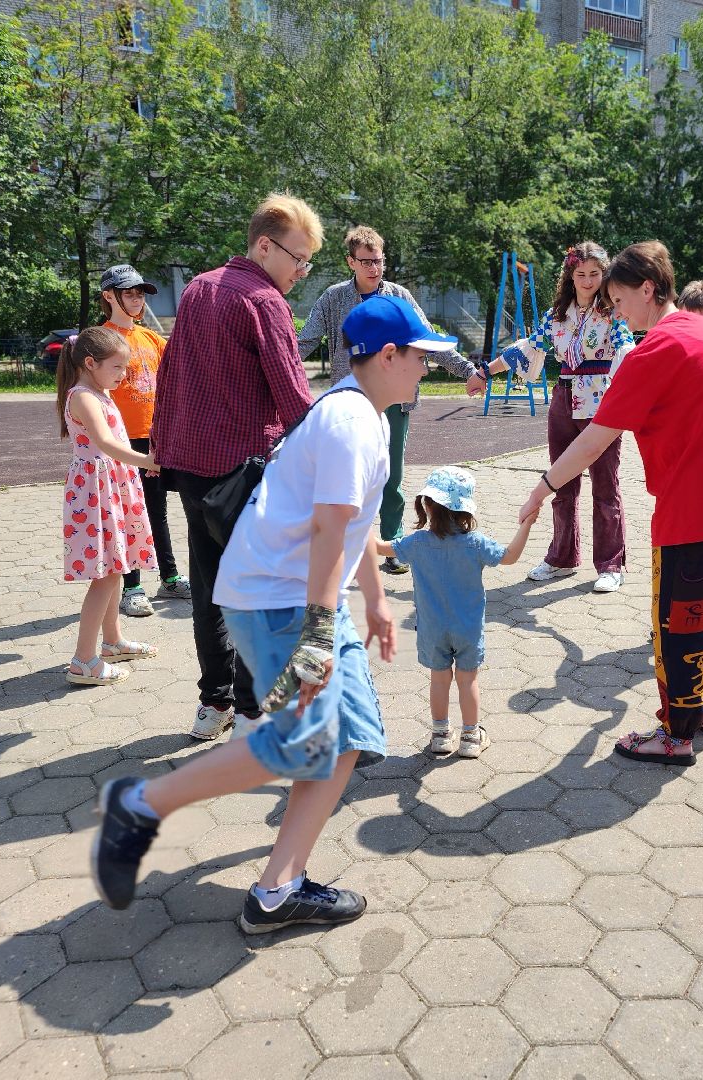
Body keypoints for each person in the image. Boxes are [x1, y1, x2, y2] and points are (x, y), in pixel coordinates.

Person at [90, 294, 446, 931]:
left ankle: (277, 889)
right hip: (284, 603)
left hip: (297, 599)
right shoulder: (351, 422)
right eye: (421, 356)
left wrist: (378, 598)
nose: (427, 368)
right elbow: (328, 529)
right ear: (387, 355)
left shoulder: (362, 414)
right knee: (294, 748)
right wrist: (317, 630)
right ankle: (138, 804)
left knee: (347, 742)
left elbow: (354, 522)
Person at [517, 241, 703, 767]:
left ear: (648, 289)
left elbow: (592, 441)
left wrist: (543, 487)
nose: (616, 310)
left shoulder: (653, 351)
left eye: (619, 298)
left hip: (695, 507)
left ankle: (676, 736)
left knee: (682, 620)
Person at [151, 194, 320, 741]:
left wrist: (162, 448)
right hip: (245, 471)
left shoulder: (199, 287)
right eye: (299, 258)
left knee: (210, 590)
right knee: (259, 593)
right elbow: (295, 400)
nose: (302, 270)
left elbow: (170, 373)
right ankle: (253, 713)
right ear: (264, 245)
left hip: (192, 471)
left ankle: (213, 704)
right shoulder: (263, 299)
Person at [299, 225, 487, 576]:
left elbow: (428, 339)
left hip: (395, 402)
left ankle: (391, 543)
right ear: (350, 262)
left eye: (379, 261)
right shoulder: (333, 298)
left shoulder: (400, 296)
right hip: (351, 403)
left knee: (390, 477)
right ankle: (342, 547)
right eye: (366, 262)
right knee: (346, 477)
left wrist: (468, 372)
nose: (374, 268)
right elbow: (304, 342)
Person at [482, 241, 635, 594]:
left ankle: (611, 564)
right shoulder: (557, 316)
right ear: (570, 274)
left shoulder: (614, 313)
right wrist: (484, 372)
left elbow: (628, 351)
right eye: (580, 274)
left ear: (604, 274)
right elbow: (528, 348)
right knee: (561, 483)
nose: (587, 280)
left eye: (594, 274)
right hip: (564, 400)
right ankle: (563, 558)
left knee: (606, 485)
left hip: (602, 404)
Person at [373, 466, 537, 759]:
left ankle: (439, 735)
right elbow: (510, 557)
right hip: (468, 628)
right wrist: (526, 525)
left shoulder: (416, 543)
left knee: (438, 678)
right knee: (467, 679)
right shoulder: (474, 543)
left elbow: (380, 548)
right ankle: (471, 737)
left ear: (427, 505)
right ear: (464, 510)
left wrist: (355, 521)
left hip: (432, 627)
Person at [58, 326, 160, 686]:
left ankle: (113, 642)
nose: (124, 374)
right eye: (117, 367)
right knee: (106, 575)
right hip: (97, 491)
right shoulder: (83, 396)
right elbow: (103, 441)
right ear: (90, 362)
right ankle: (84, 661)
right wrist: (148, 461)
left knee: (117, 566)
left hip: (110, 486)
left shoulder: (98, 392)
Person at [98, 264, 190, 619]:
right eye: (129, 293)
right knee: (127, 514)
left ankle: (168, 577)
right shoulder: (102, 339)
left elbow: (178, 377)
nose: (136, 299)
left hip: (155, 440)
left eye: (140, 294)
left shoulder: (152, 339)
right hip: (120, 442)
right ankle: (131, 586)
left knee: (157, 511)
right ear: (109, 296)